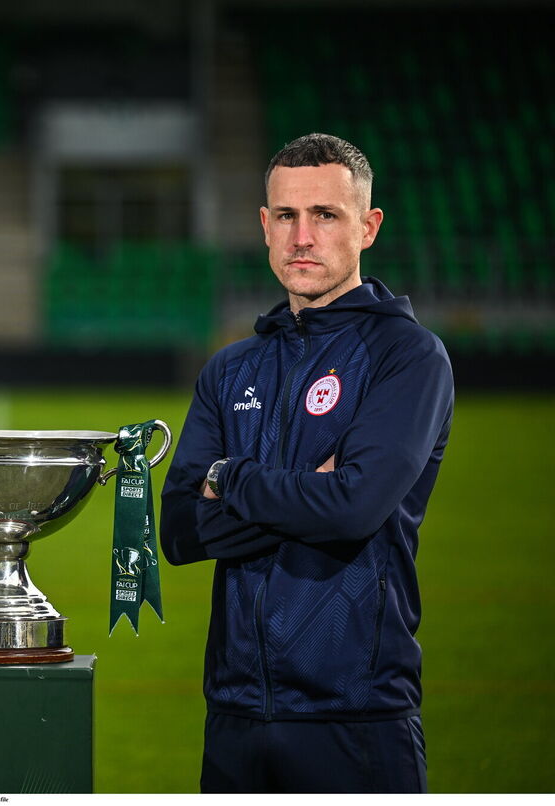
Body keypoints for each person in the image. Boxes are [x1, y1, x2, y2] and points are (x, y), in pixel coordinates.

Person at [160, 133, 453, 793]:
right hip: (234, 716)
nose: (302, 236)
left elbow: (353, 509)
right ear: (265, 227)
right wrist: (308, 498)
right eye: (286, 216)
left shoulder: (407, 357)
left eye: (326, 215)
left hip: (357, 718)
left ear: (368, 227)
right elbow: (177, 531)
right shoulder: (231, 367)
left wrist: (230, 479)